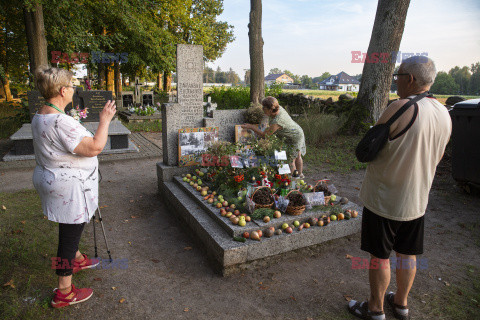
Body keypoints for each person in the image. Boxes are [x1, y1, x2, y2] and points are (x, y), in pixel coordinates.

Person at [347, 57, 451, 320]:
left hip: (386, 198)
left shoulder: (401, 107)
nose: (396, 81)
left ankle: (375, 309)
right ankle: (402, 304)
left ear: (410, 79)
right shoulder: (443, 113)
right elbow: (437, 157)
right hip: (417, 199)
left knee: (380, 255)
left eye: (398, 76)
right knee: (408, 253)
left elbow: (366, 149)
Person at [32, 66, 117, 308]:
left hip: (53, 181)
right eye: (72, 86)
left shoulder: (42, 114)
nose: (74, 89)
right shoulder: (60, 121)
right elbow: (94, 147)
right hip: (68, 188)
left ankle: (77, 259)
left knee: (70, 227)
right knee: (68, 238)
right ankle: (64, 292)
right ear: (62, 90)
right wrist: (105, 120)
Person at [241, 96, 306, 177]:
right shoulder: (277, 108)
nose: (262, 109)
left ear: (270, 109)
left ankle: (295, 181)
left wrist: (251, 127)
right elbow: (267, 127)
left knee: (291, 160)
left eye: (264, 108)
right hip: (295, 131)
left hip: (295, 136)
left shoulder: (277, 121)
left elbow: (265, 135)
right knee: (297, 155)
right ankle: (300, 176)